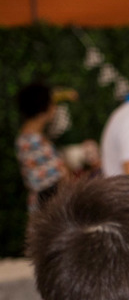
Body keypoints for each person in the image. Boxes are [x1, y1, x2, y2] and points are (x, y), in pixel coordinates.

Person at [16, 82, 85, 214]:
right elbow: (58, 178)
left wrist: (66, 94)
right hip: (50, 210)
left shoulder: (29, 137)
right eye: (52, 104)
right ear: (43, 110)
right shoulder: (32, 142)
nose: (54, 108)